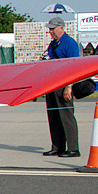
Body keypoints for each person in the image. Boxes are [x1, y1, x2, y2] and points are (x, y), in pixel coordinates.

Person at [43, 16, 81, 158]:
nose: (51, 32)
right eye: (50, 29)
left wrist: (69, 86)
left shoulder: (69, 43)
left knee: (66, 116)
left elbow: (74, 66)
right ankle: (57, 146)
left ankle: (73, 148)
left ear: (61, 28)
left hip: (63, 83)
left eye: (53, 29)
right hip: (52, 83)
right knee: (53, 116)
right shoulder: (53, 44)